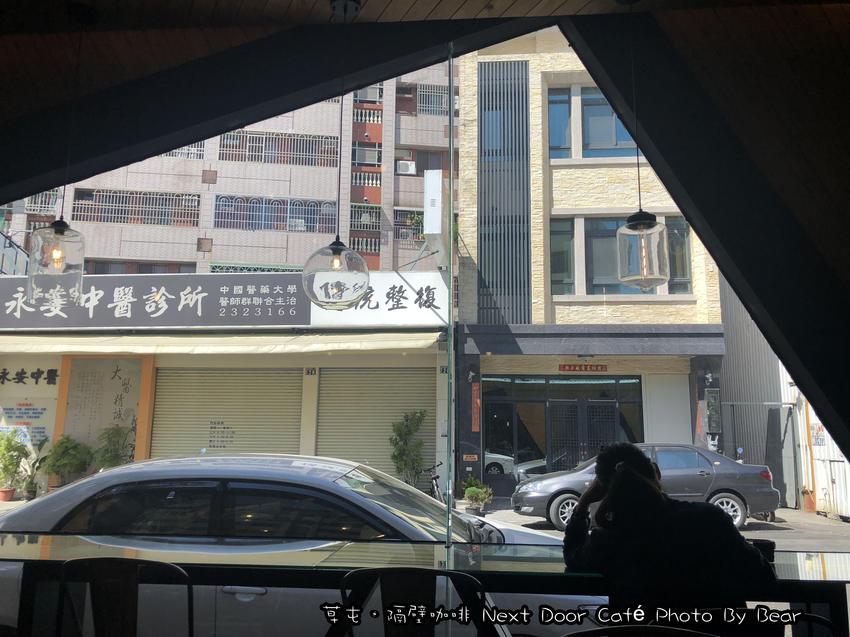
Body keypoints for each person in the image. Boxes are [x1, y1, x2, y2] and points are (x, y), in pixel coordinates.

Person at [563, 443, 777, 634]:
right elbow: (762, 577)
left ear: (601, 489)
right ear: (656, 472)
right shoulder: (709, 519)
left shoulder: (608, 539)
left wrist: (582, 504)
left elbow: (573, 557)